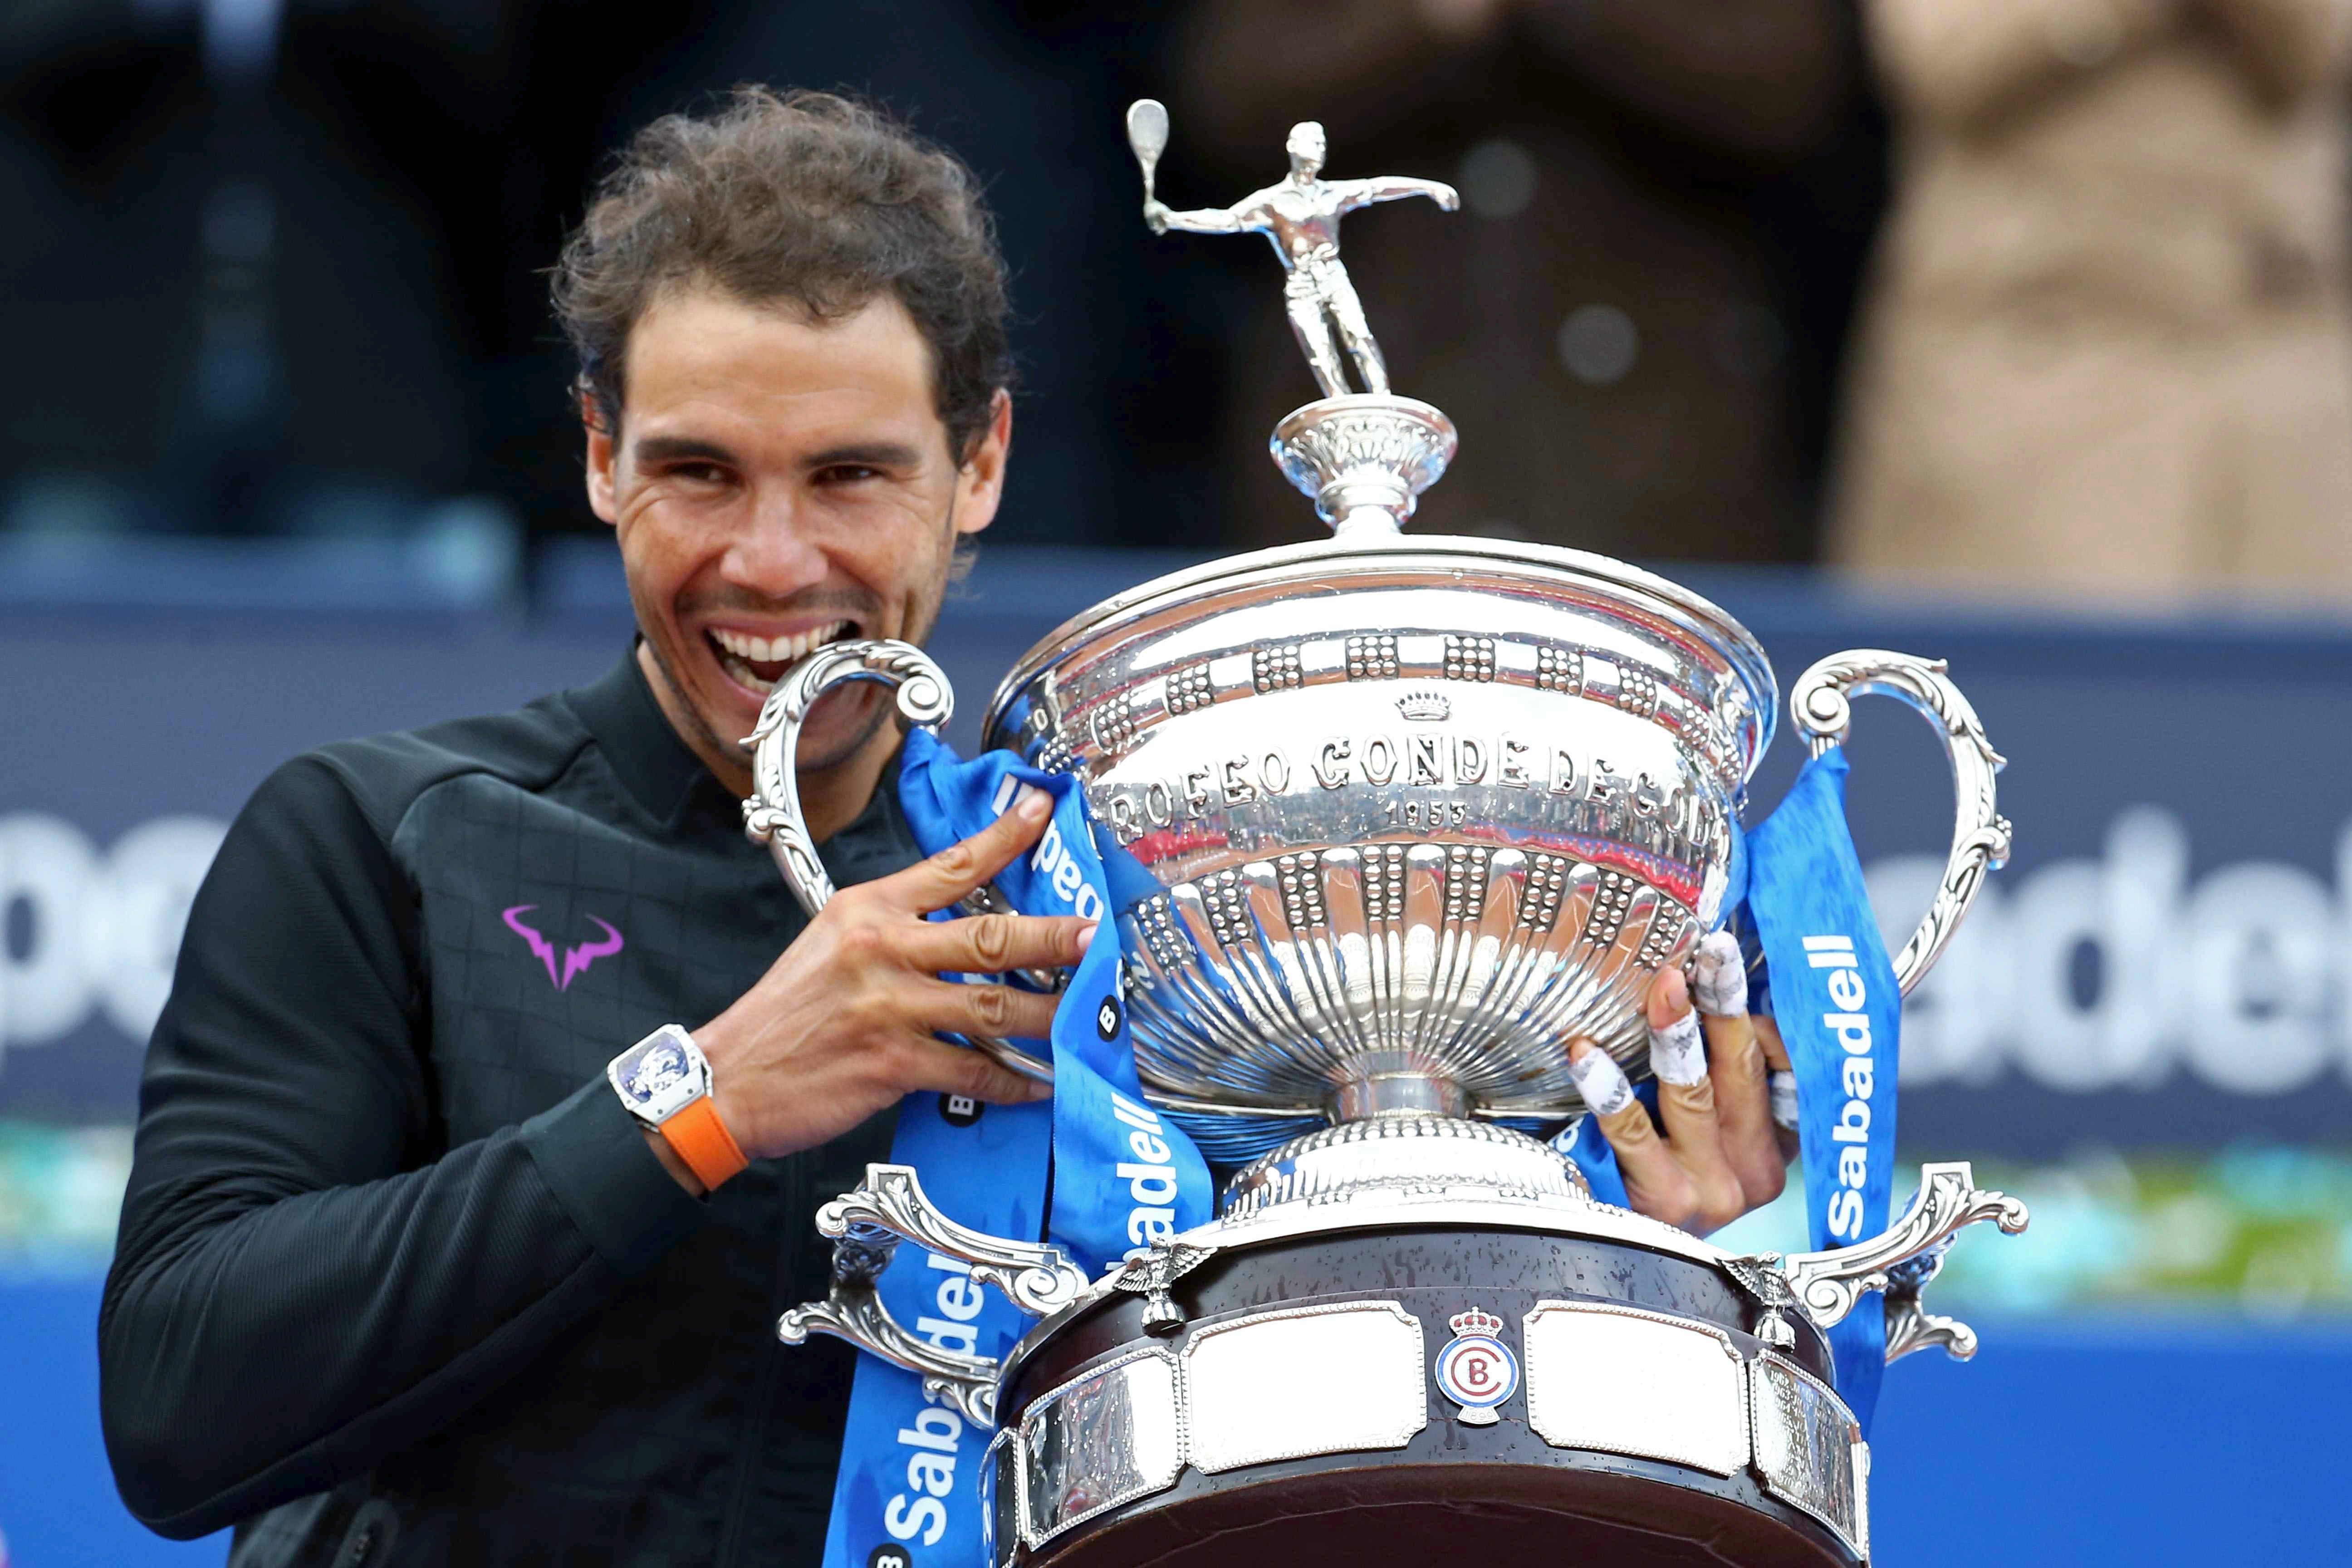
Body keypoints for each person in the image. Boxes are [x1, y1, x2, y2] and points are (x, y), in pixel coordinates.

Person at [98, 88, 1791, 1567]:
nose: (771, 564)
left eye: (849, 476)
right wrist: (706, 1102)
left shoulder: (1151, 916)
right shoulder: (384, 837)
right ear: (598, 457)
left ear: (978, 465)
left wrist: (1620, 1248)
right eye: (698, 473)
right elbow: (180, 1407)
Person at [1830, 0, 2352, 599]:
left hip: (2273, 364)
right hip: (2041, 354)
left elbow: (2319, 52)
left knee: (2284, 681)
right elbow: (1947, 62)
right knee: (2042, 674)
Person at [1145, 119, 1461, 397]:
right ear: (1293, 147)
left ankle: (1382, 399)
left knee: (1360, 335)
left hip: (1333, 275)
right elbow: (1226, 220)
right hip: (1301, 285)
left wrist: (1428, 187)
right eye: (1314, 142)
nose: (1321, 148)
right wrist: (1173, 218)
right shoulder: (1271, 202)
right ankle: (1340, 406)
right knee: (1320, 352)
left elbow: (1377, 188)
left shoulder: (1332, 194)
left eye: (1323, 143)